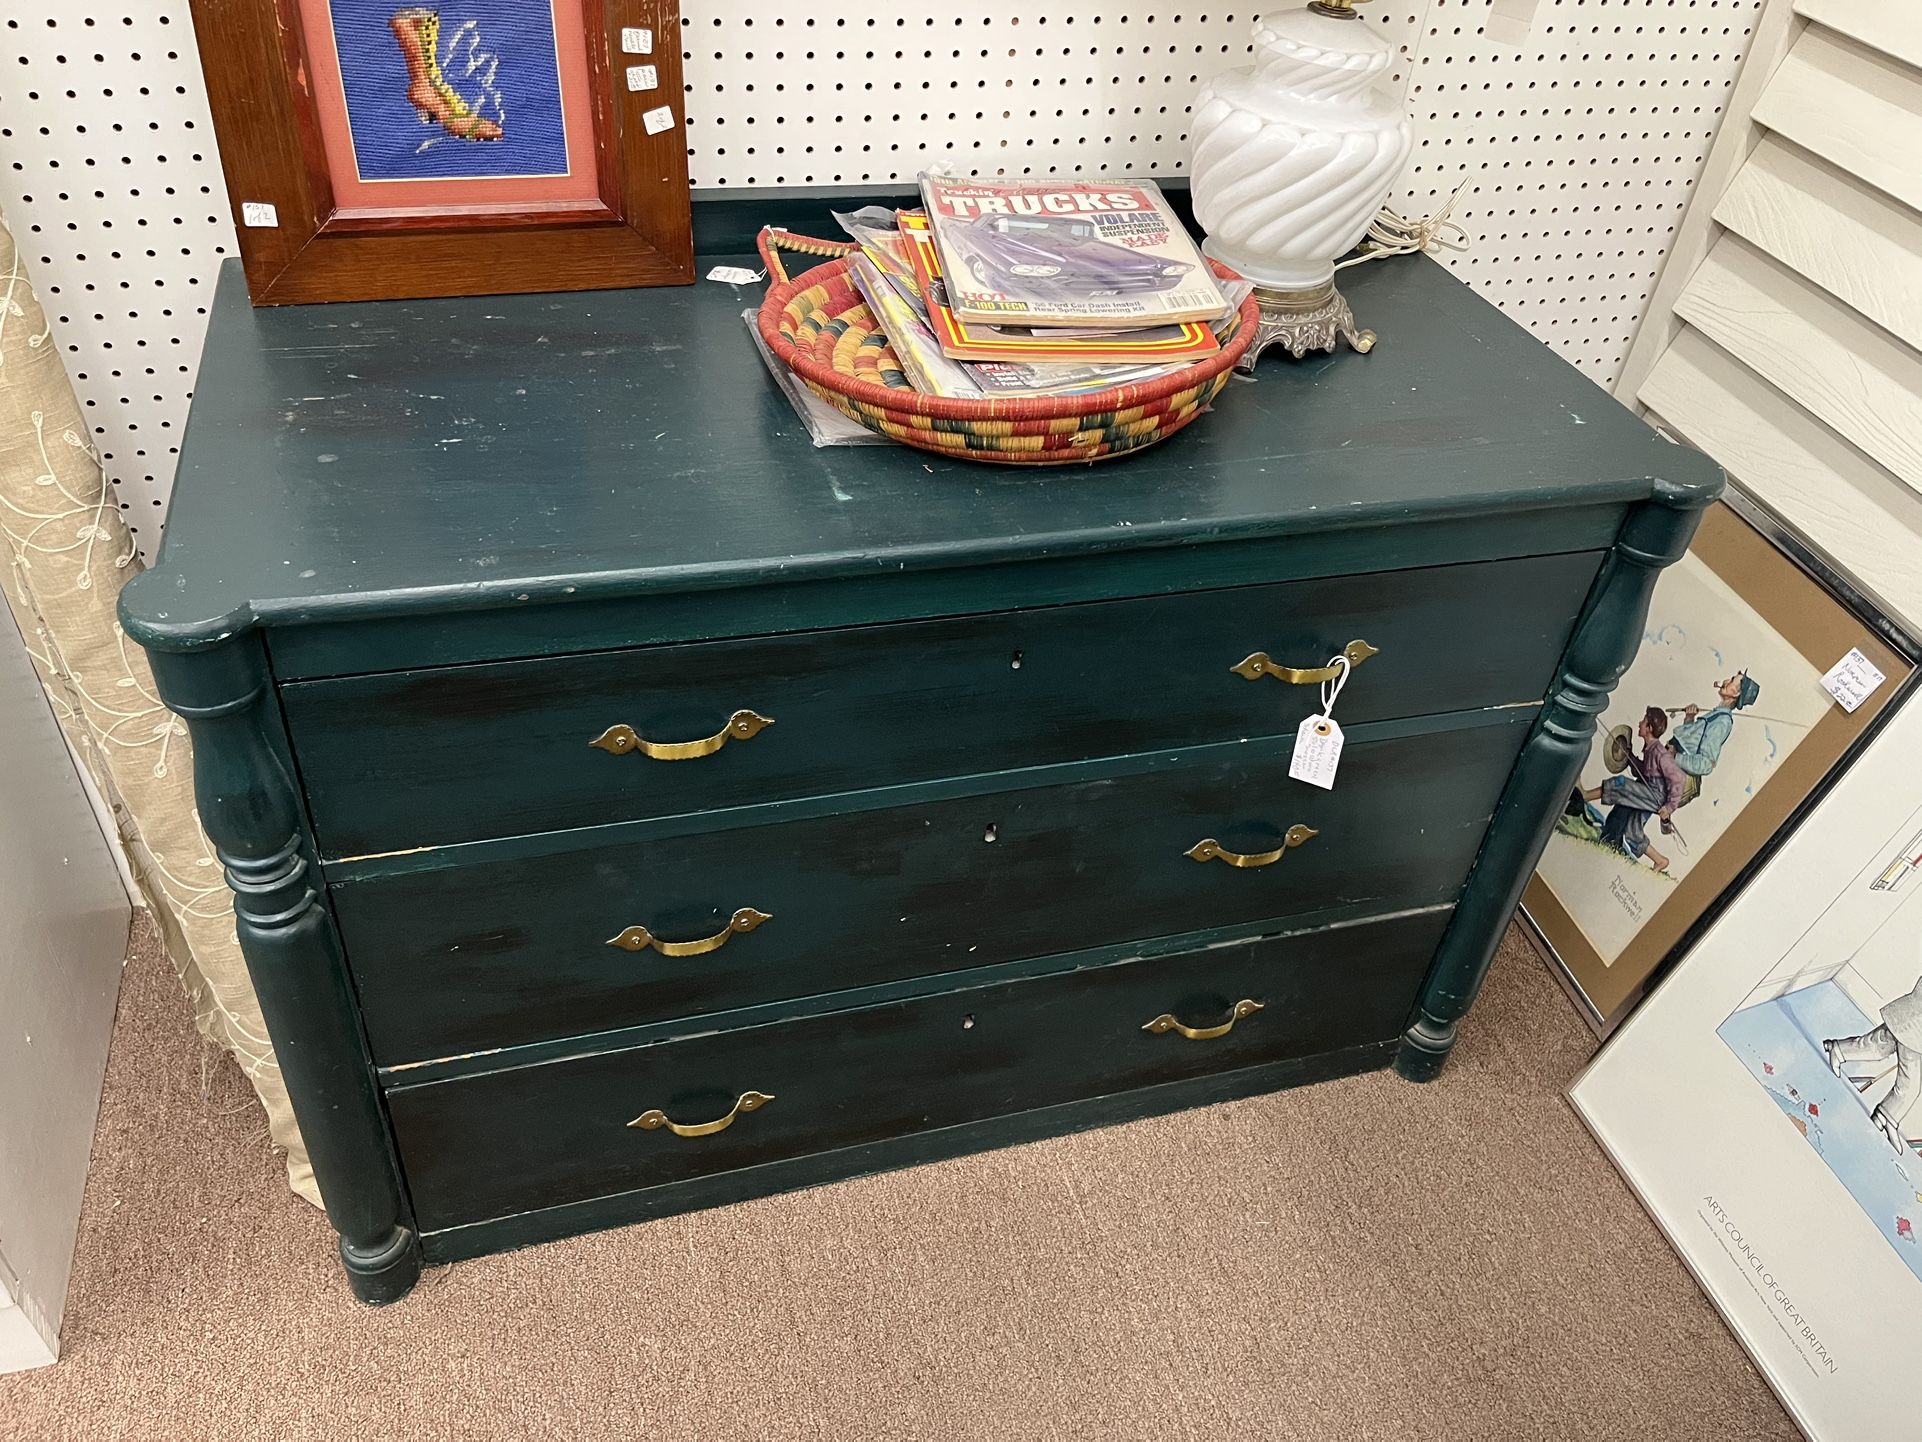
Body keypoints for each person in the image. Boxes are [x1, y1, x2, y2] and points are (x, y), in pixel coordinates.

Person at [1825, 966, 1922, 1155]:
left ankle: (1838, 1048)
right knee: (1909, 1083)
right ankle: (1886, 1116)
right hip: (1916, 1026)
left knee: (1879, 1045)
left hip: (1912, 1021)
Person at [1582, 706, 1687, 872]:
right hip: (1647, 790)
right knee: (1633, 831)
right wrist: (1629, 757)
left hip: (1655, 795)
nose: (1639, 723)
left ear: (1650, 728)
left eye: (1644, 721)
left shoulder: (1660, 753)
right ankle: (1660, 860)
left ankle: (1586, 795)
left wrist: (1669, 807)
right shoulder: (1649, 748)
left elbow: (1678, 778)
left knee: (1621, 783)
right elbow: (1644, 771)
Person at [1668, 671, 1762, 798]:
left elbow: (1706, 764)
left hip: (1672, 769)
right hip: (1668, 757)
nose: (1725, 681)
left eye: (1732, 680)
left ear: (1736, 693)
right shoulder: (1717, 715)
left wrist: (1675, 757)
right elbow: (1691, 742)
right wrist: (1690, 718)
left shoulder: (1722, 722)